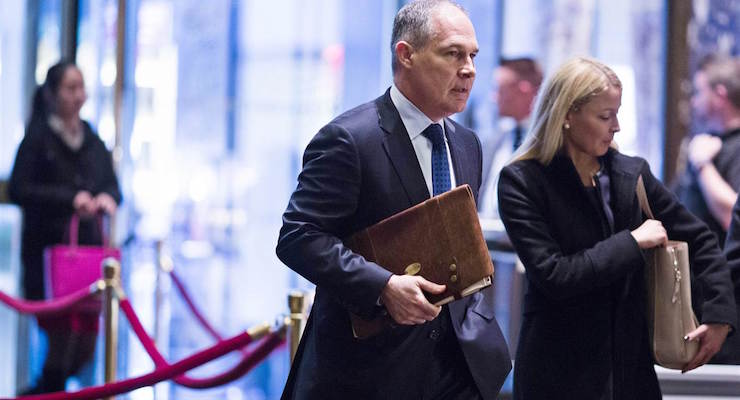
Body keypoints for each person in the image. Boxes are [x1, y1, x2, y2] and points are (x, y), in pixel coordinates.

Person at [276, 1, 511, 398]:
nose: (468, 69)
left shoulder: (467, 145)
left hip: (459, 368)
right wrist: (383, 286)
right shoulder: (349, 139)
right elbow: (298, 238)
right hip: (372, 372)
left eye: (472, 56)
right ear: (407, 55)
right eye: (453, 53)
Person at [497, 57, 735, 399]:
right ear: (566, 115)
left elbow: (700, 239)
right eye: (605, 116)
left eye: (617, 113)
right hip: (558, 374)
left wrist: (719, 314)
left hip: (630, 371)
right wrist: (633, 242)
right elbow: (554, 276)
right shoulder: (521, 182)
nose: (617, 126)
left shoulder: (630, 173)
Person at [8, 60, 121, 394]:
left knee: (84, 348)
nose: (78, 95)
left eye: (81, 87)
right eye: (70, 88)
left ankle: (40, 392)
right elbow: (19, 189)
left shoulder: (92, 137)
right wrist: (70, 199)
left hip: (87, 261)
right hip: (51, 260)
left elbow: (114, 186)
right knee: (60, 343)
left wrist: (104, 199)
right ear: (53, 94)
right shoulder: (38, 138)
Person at [674, 56, 740, 246]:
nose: (694, 102)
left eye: (700, 92)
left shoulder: (735, 147)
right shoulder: (705, 143)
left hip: (721, 271)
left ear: (720, 96)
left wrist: (703, 165)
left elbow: (732, 215)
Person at [479, 57, 543, 219]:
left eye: (500, 89)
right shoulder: (495, 139)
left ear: (524, 91)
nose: (494, 97)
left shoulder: (549, 142)